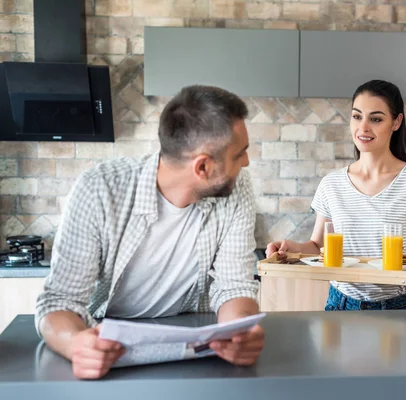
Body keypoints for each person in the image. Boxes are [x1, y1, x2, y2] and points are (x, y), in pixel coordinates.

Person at [36, 85, 264, 379]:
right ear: (203, 166)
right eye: (240, 154)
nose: (245, 162)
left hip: (192, 347)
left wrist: (239, 334)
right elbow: (59, 302)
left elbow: (234, 286)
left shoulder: (237, 188)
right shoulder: (100, 189)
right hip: (107, 344)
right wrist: (75, 344)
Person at [266, 80, 406, 311]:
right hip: (341, 304)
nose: (363, 127)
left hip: (397, 307)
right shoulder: (332, 184)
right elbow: (319, 246)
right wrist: (291, 248)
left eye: (376, 119)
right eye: (357, 116)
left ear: (396, 122)